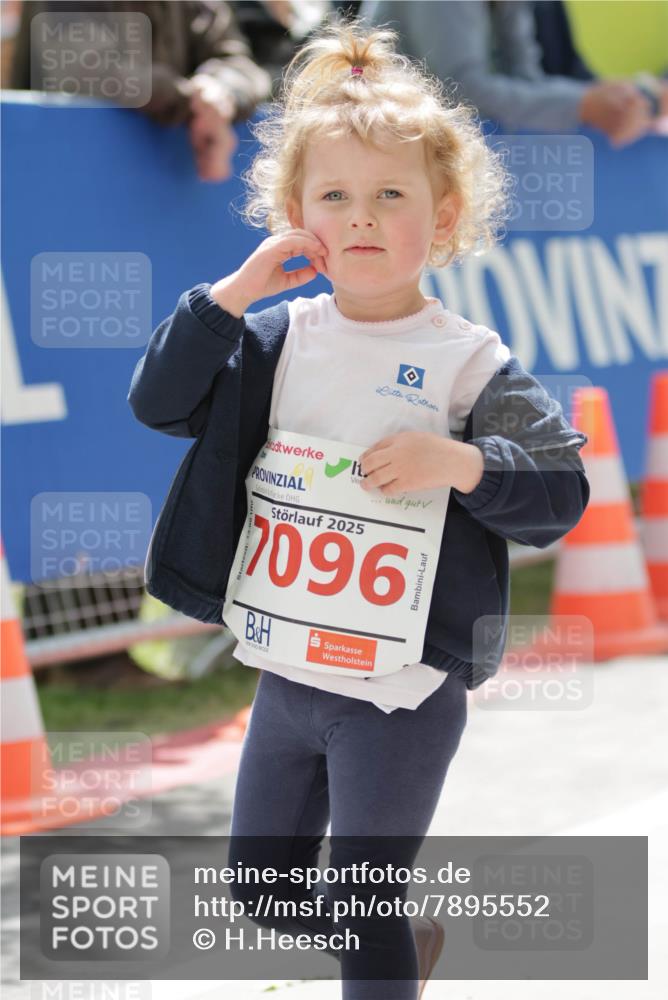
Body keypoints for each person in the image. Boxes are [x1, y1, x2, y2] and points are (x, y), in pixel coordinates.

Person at [127, 16, 589, 998]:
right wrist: (235, 290)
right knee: (263, 891)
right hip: (287, 674)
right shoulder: (273, 336)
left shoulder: (470, 362)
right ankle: (407, 944)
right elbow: (158, 403)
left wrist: (459, 461)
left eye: (391, 195)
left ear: (445, 215)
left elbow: (558, 490)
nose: (363, 218)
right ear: (297, 214)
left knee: (361, 897)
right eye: (335, 196)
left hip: (402, 688)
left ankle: (388, 949)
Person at [9, 0, 273, 182]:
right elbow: (87, 70)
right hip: (64, 179)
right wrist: (194, 101)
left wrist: (220, 93)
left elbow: (240, 65)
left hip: (164, 197)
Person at [359, 0, 660, 147]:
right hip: (385, 149)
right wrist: (583, 104)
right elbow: (461, 90)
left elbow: (527, 79)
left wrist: (611, 99)